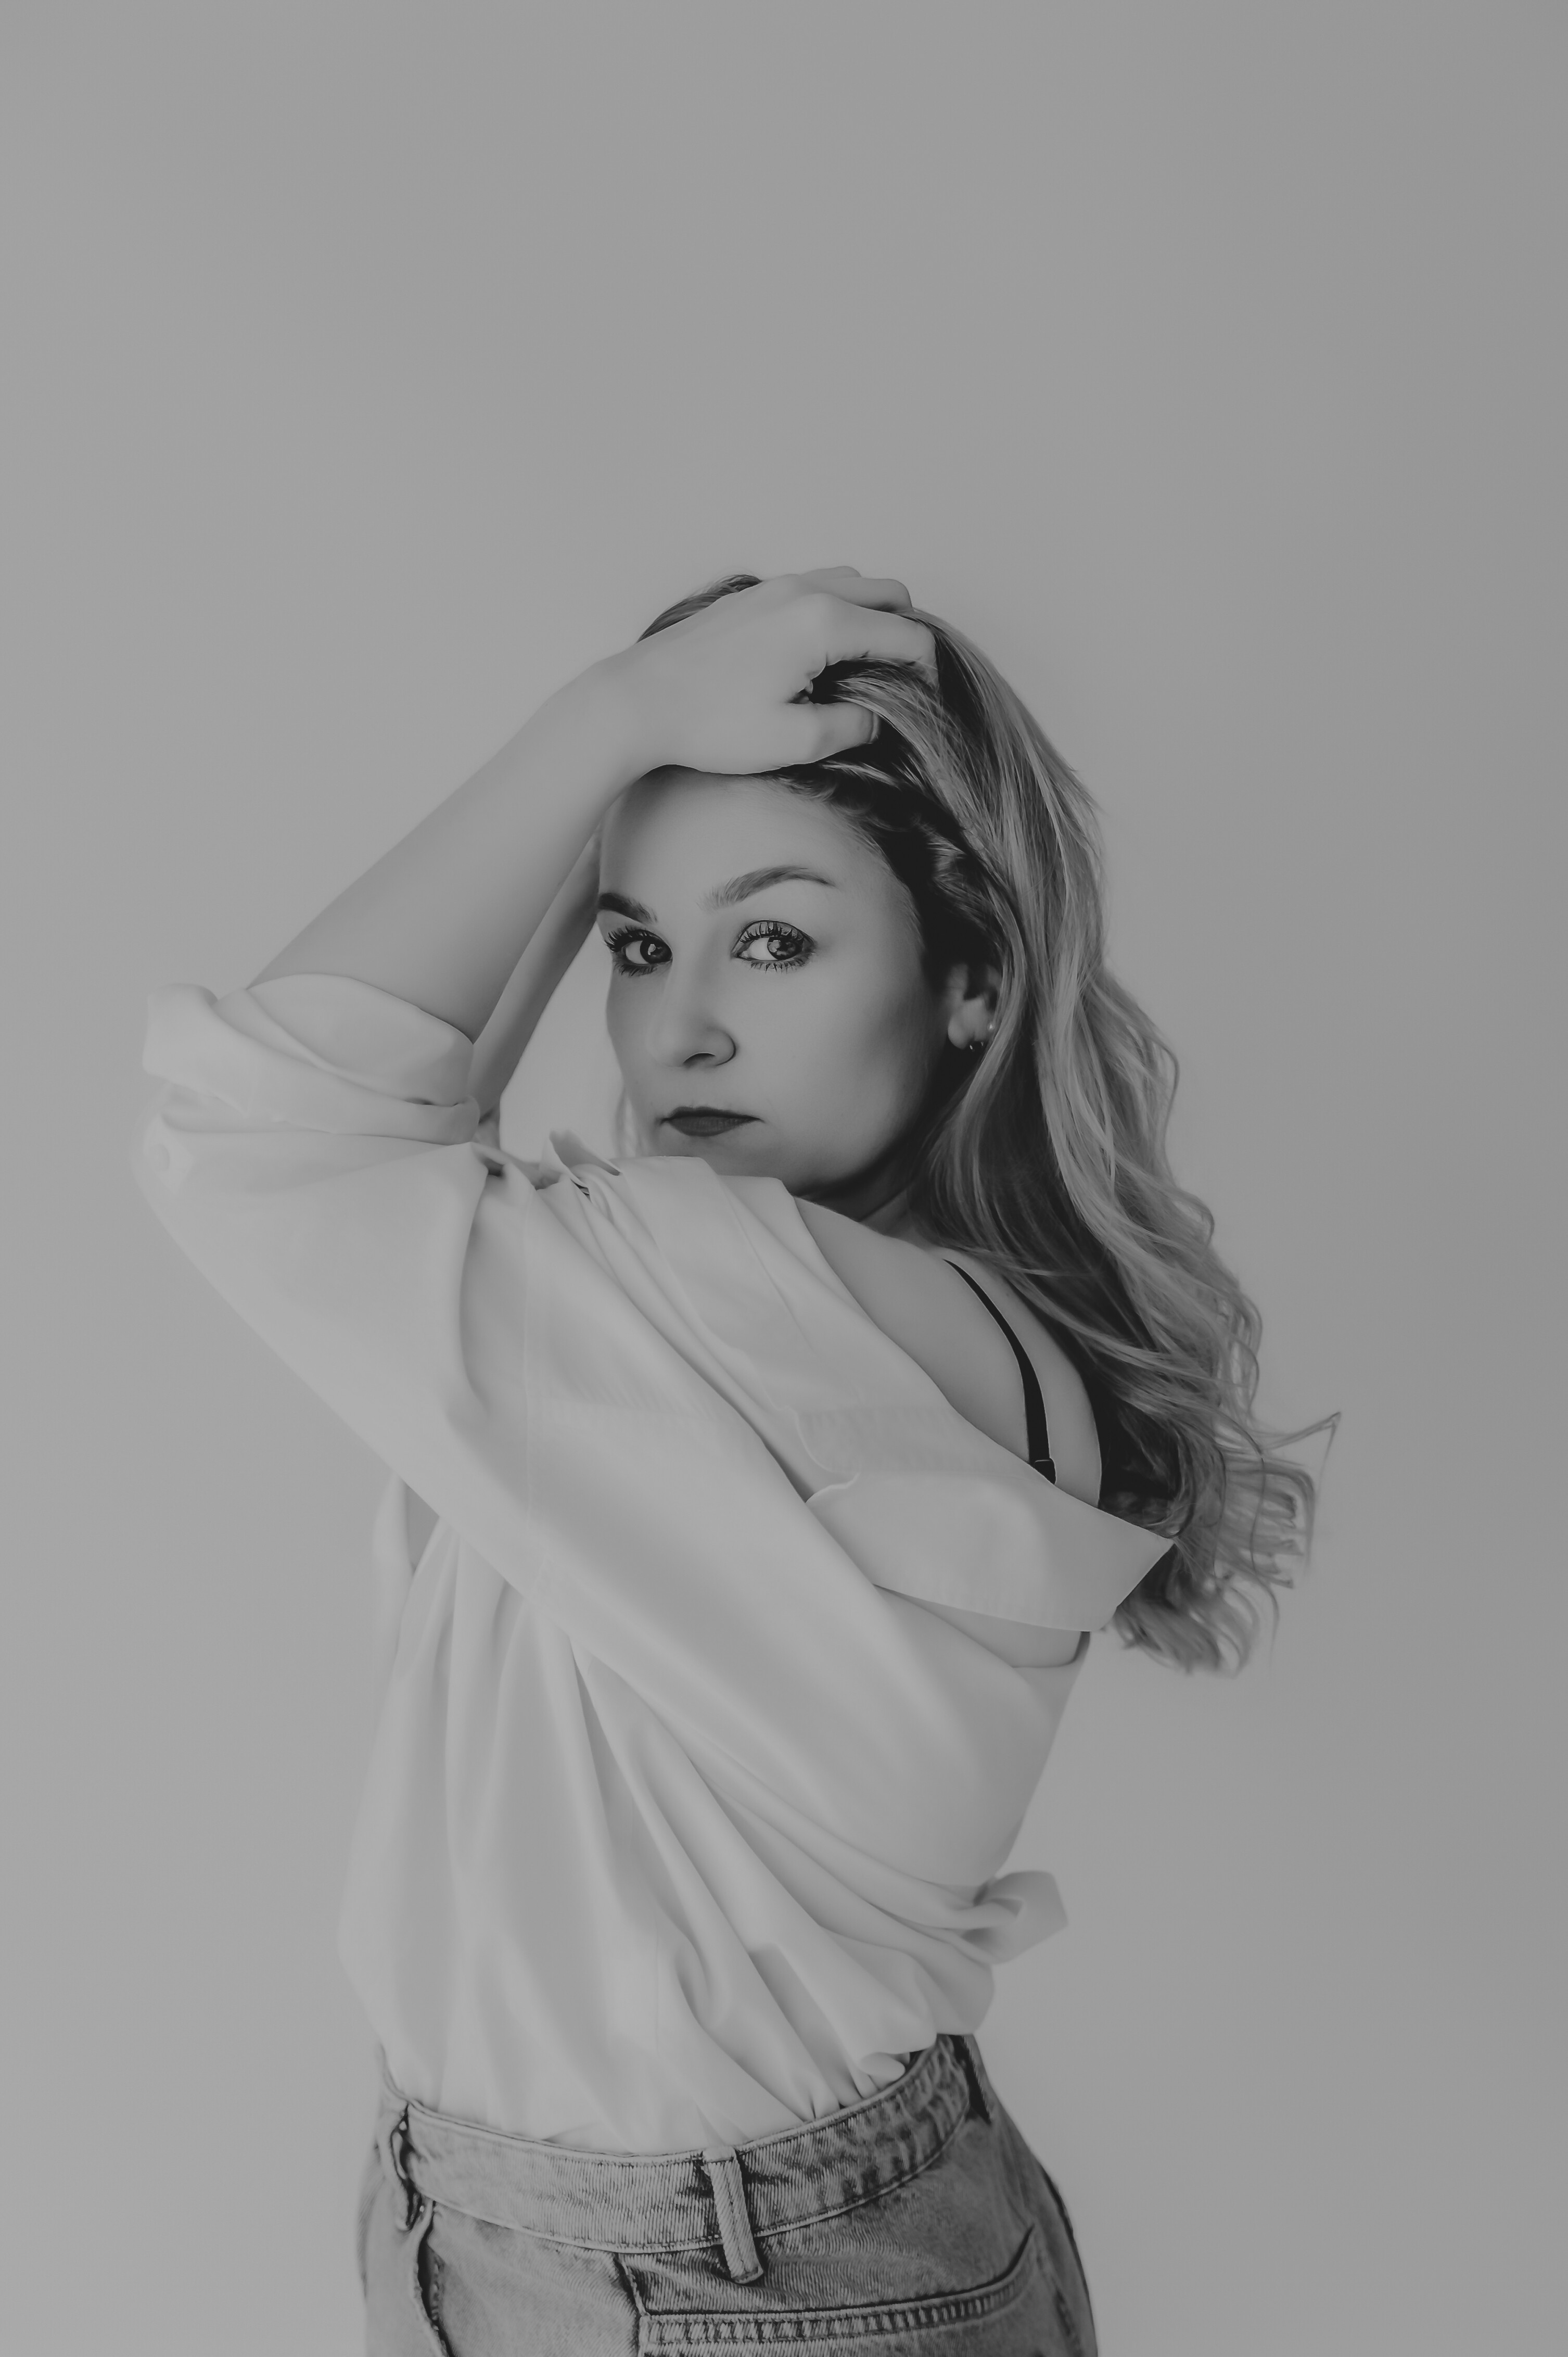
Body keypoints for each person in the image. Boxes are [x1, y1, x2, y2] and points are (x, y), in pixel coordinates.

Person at [132, 567, 1321, 2353]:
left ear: (972, 980)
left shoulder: (779, 1308)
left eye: (774, 943)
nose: (679, 1027)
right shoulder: (939, 1322)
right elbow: (392, 1146)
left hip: (704, 2280)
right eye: (635, 946)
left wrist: (608, 726)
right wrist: (620, 769)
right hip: (724, 2247)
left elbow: (275, 1134)